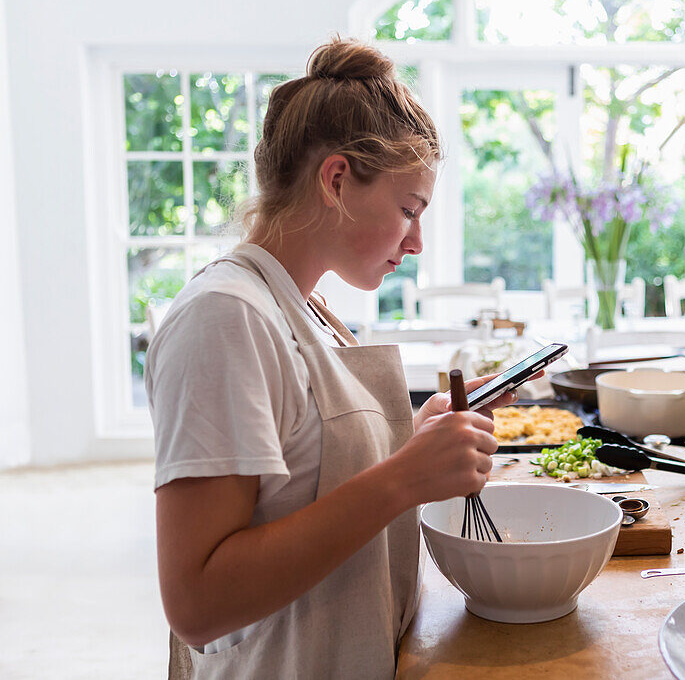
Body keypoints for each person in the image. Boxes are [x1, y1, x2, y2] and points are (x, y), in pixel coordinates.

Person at [147, 37, 512, 679]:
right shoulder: (225, 317)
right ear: (337, 179)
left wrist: (414, 440)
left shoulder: (304, 304)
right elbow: (198, 601)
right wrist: (404, 478)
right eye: (409, 210)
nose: (418, 241)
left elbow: (307, 480)